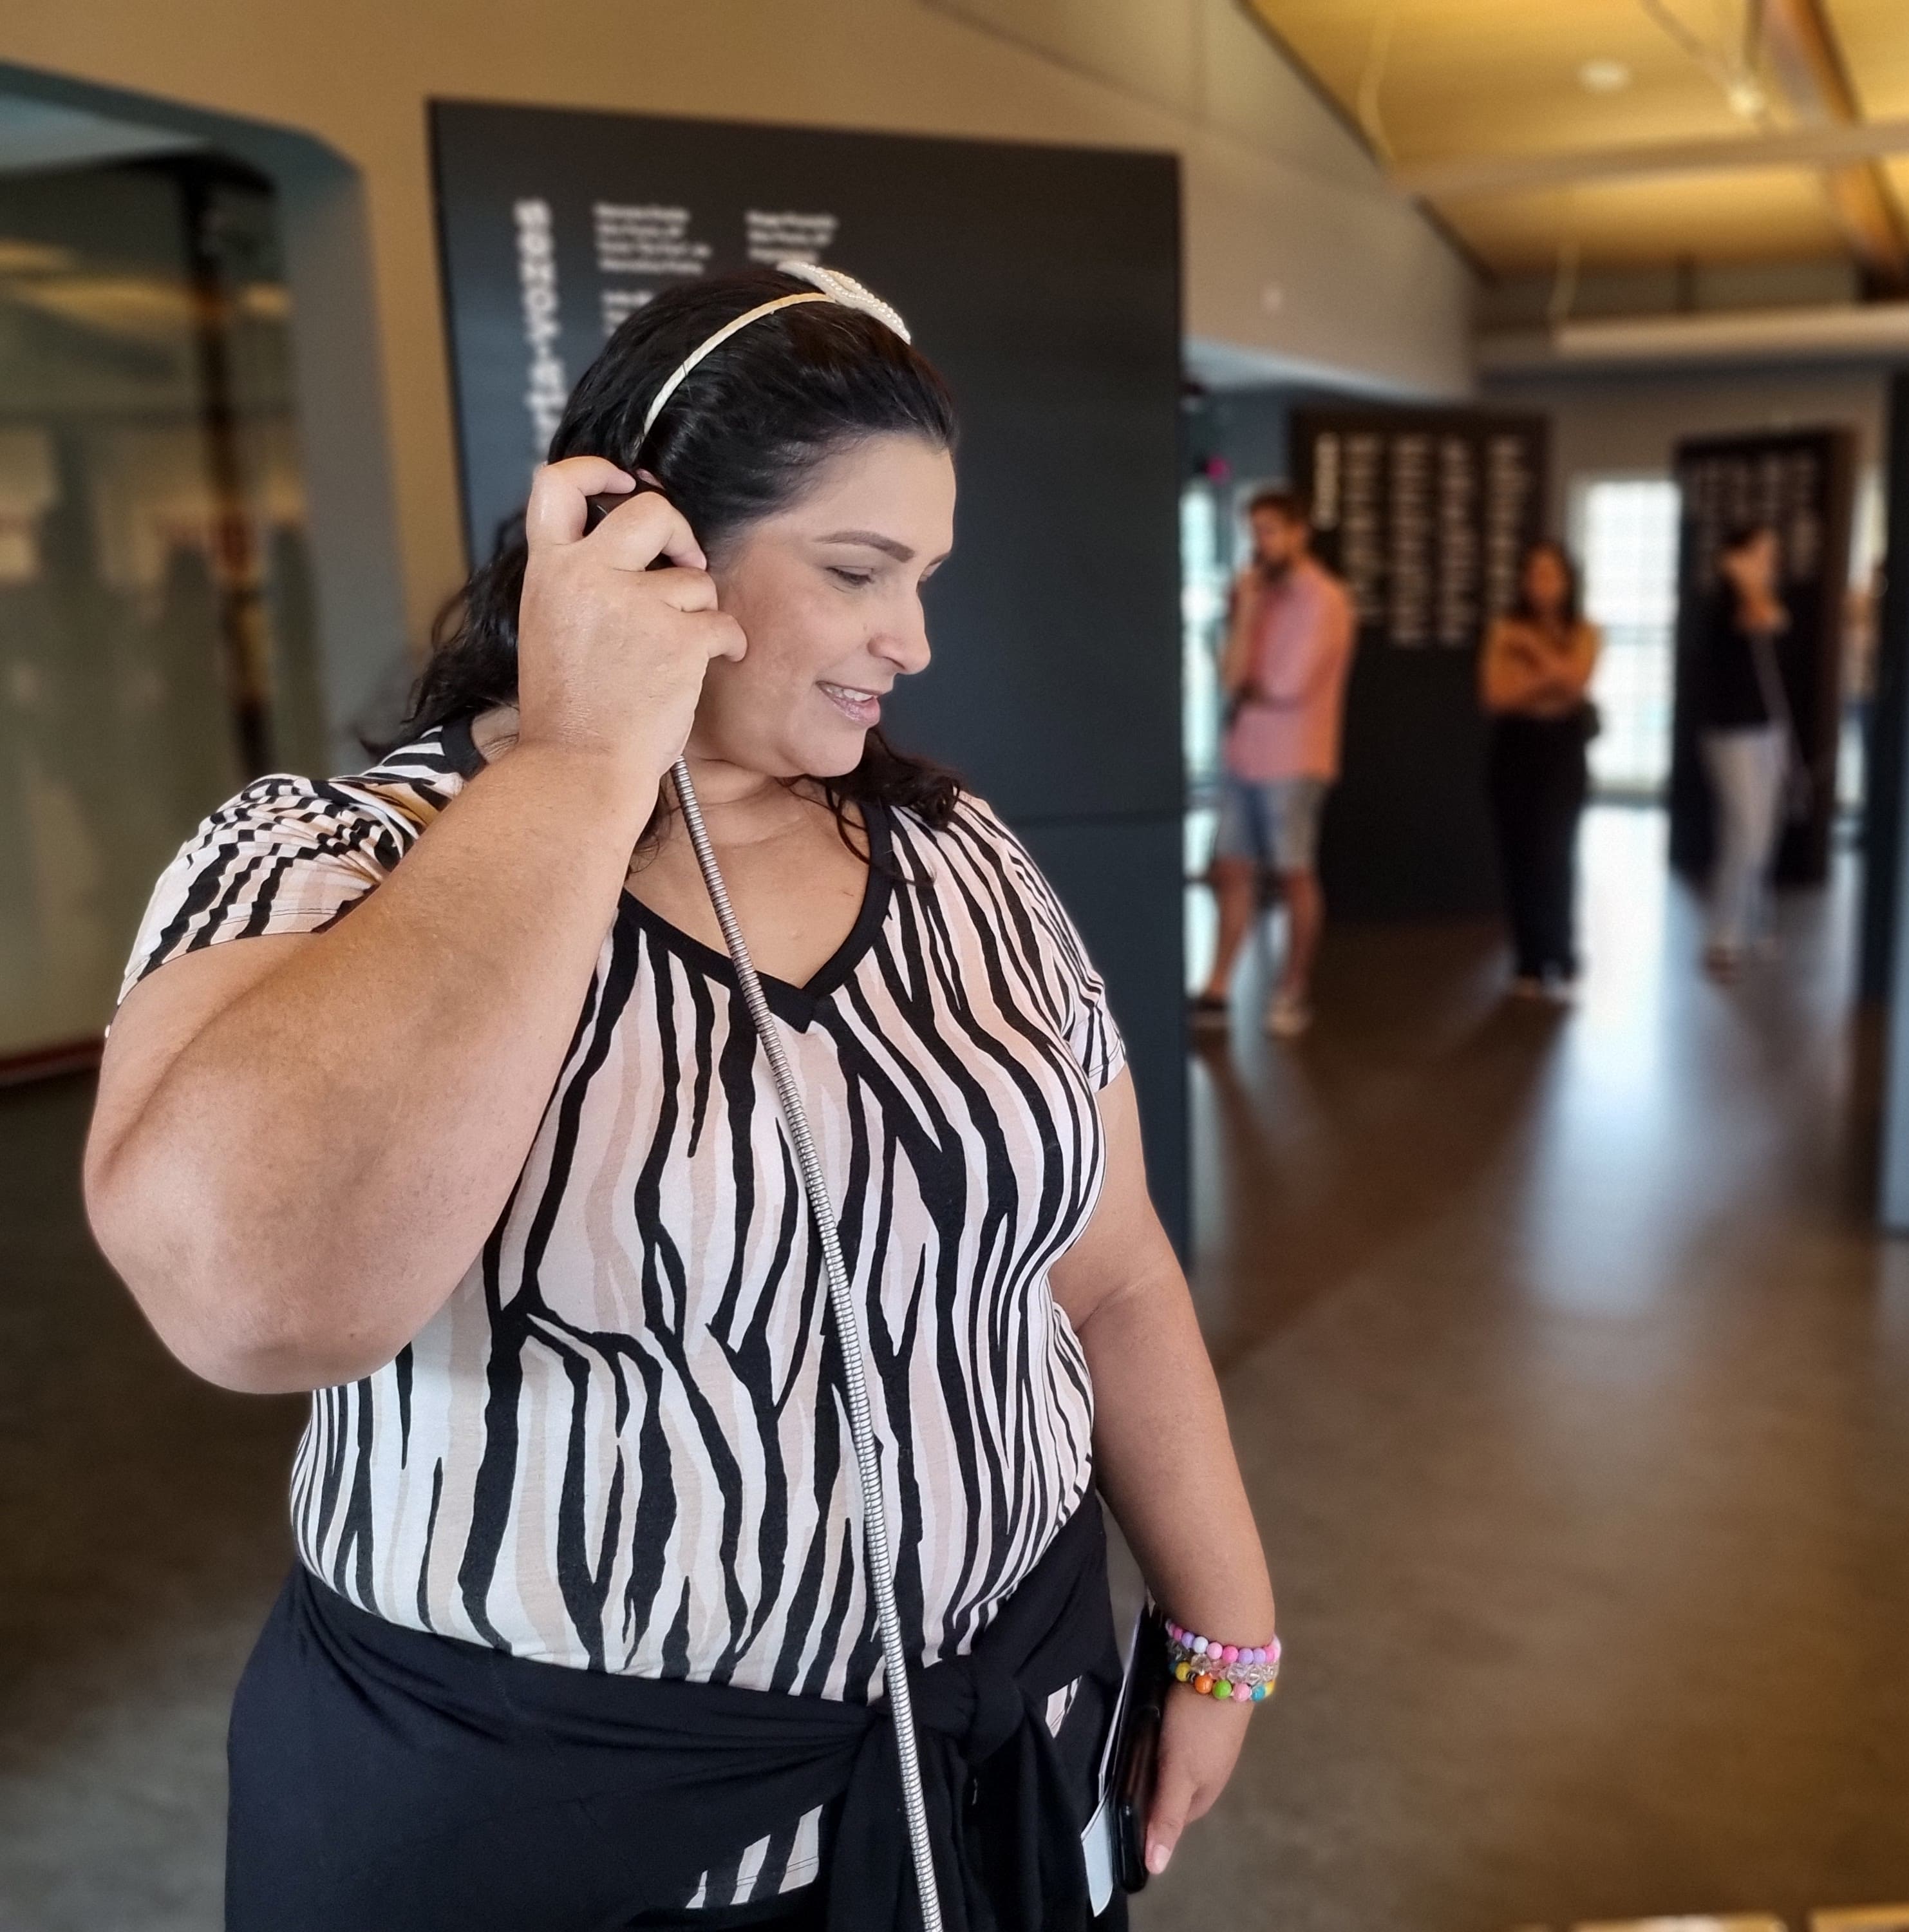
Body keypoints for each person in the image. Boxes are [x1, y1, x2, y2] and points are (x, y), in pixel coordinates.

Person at [81, 265, 1276, 1931]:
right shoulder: (326, 862)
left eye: (923, 578)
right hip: (561, 1827)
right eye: (856, 570)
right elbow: (253, 1300)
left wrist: (1223, 1631)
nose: (913, 639)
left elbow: (1113, 1271)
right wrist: (583, 762)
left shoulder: (958, 857)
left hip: (996, 1746)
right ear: (638, 544)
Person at [1192, 489, 1353, 1040]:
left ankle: (1292, 987)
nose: (1260, 543)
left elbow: (1285, 685)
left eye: (1270, 530)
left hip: (1296, 759)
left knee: (1293, 875)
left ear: (1299, 532)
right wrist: (1248, 611)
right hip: (1245, 753)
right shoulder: (1259, 596)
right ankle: (1218, 986)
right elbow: (1232, 676)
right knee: (1232, 870)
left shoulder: (1325, 599)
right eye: (1255, 531)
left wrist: (1250, 682)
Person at [1480, 538, 1599, 996]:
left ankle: (1561, 952)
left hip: (1563, 752)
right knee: (1518, 857)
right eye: (1533, 574)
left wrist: (1529, 651)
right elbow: (1496, 695)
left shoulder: (1585, 630)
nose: (1541, 584)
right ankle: (1528, 960)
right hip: (1513, 748)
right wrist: (1551, 678)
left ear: (1568, 581)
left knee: (1556, 852)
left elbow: (1576, 681)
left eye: (1551, 574)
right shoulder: (1502, 630)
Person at [1693, 524, 1800, 978]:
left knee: (1761, 831)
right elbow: (1761, 617)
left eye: (1775, 555)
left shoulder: (1768, 597)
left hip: (1769, 730)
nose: (1771, 563)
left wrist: (1753, 579)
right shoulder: (1723, 600)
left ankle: (1752, 922)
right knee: (1746, 830)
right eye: (1762, 553)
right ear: (1737, 558)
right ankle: (1723, 937)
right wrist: (1740, 578)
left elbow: (1777, 619)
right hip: (1730, 733)